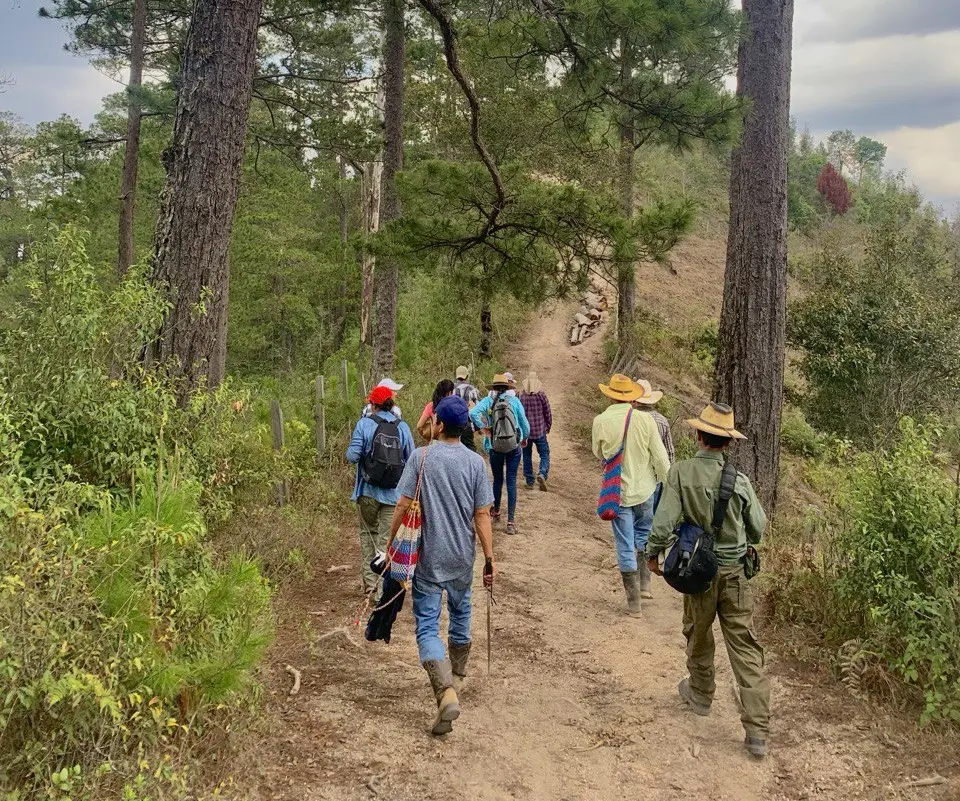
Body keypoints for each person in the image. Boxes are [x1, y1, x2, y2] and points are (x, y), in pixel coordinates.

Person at [644, 402, 770, 759]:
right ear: (728, 442)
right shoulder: (739, 480)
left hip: (698, 571)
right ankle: (757, 730)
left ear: (699, 435)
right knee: (744, 646)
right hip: (735, 575)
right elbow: (758, 529)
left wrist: (652, 555)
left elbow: (664, 522)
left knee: (698, 633)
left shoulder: (681, 473)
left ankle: (700, 695)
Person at [389, 395, 496, 736]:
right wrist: (489, 558)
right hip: (462, 557)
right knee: (461, 612)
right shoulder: (476, 464)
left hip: (429, 559)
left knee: (426, 626)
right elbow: (482, 514)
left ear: (439, 425)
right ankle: (458, 677)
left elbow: (402, 505)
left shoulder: (421, 458)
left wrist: (391, 545)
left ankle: (445, 691)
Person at [591, 374, 669, 617]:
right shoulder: (646, 420)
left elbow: (598, 453)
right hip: (646, 489)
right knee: (644, 535)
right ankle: (645, 585)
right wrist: (668, 485)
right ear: (632, 398)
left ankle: (634, 604)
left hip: (618, 493)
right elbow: (660, 457)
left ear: (610, 396)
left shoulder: (601, 421)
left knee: (625, 543)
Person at [347, 386, 415, 593]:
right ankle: (382, 590)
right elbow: (411, 459)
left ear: (373, 405)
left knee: (368, 534)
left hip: (367, 491)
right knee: (386, 541)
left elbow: (352, 456)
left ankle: (370, 584)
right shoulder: (403, 427)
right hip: (394, 495)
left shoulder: (364, 424)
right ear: (392, 405)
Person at [630, 378, 674, 598]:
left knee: (629, 525)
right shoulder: (662, 421)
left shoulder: (628, 419)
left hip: (630, 479)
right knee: (646, 526)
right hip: (654, 481)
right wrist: (669, 481)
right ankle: (645, 581)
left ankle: (632, 574)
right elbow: (669, 454)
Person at [470, 374, 530, 535]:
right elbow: (525, 424)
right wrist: (523, 438)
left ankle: (496, 510)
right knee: (511, 480)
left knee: (497, 479)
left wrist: (485, 429)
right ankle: (510, 521)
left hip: (494, 446)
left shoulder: (488, 401)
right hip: (513, 446)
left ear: (494, 388)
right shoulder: (514, 401)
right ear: (508, 387)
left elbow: (473, 413)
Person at [520, 373, 552, 491]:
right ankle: (542, 473)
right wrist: (548, 426)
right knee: (544, 454)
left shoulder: (521, 395)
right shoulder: (541, 395)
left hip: (526, 432)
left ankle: (529, 481)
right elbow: (547, 412)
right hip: (539, 431)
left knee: (526, 455)